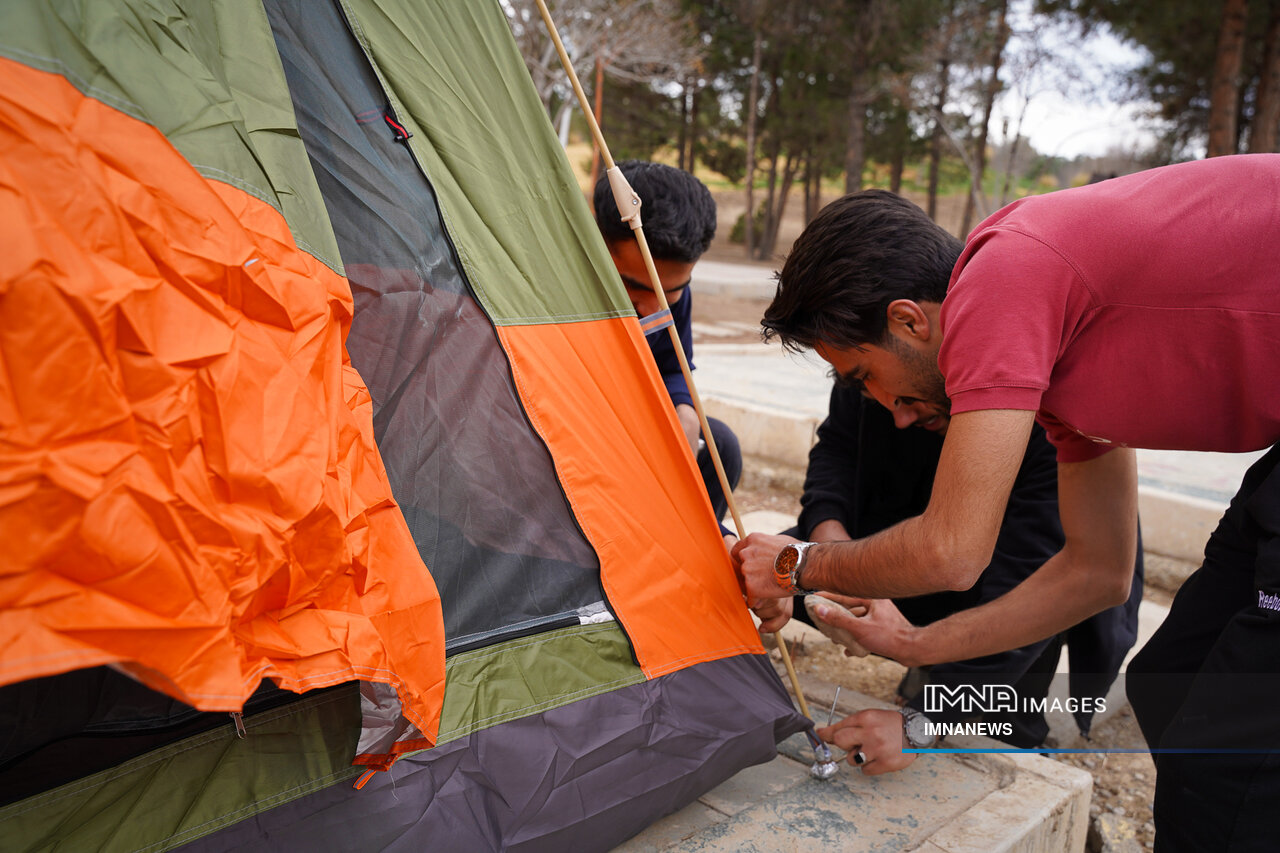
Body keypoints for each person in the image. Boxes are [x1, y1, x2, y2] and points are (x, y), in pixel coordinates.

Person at [730, 155, 1280, 849]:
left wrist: (798, 565)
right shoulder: (1058, 365)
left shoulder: (1004, 276)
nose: (888, 410)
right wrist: (913, 644)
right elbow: (1098, 571)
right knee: (1174, 680)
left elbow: (952, 552)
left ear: (909, 320)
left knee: (1229, 763)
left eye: (866, 374)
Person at [776, 382, 1141, 774]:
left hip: (1018, 574)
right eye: (878, 397)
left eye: (908, 398)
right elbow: (836, 450)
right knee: (770, 573)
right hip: (888, 538)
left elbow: (1043, 579)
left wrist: (922, 722)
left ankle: (1013, 730)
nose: (900, 419)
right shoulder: (863, 368)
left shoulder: (1049, 417)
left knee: (1026, 639)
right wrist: (831, 550)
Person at [594, 161, 741, 524]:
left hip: (633, 421)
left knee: (719, 445)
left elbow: (674, 367)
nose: (652, 309)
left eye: (670, 291)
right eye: (634, 288)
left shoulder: (670, 297)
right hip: (578, 423)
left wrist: (684, 410)